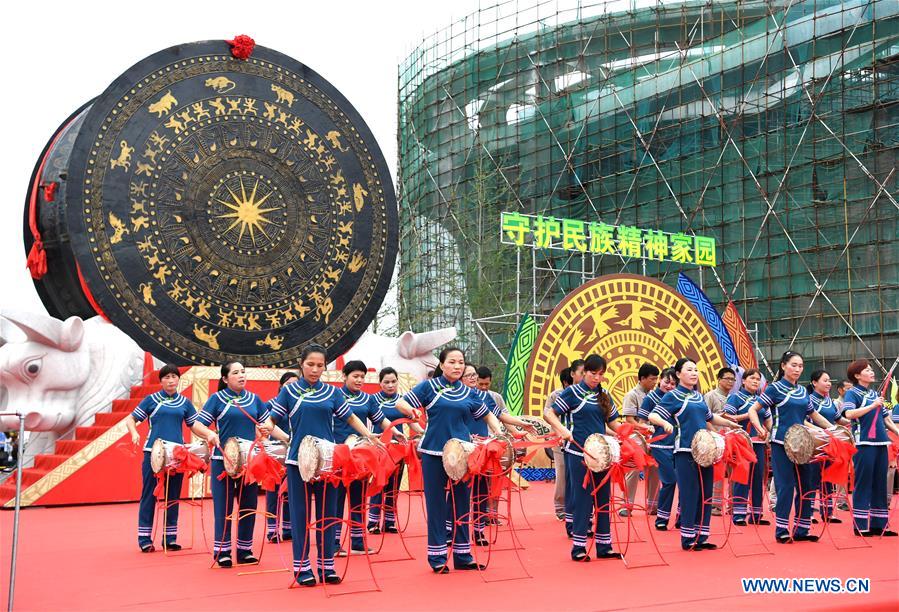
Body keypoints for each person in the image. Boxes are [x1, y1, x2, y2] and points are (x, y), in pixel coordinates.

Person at [394, 347, 524, 574]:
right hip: (434, 452)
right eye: (452, 362)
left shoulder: (468, 392)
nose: (457, 366)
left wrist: (499, 433)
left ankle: (463, 554)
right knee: (437, 504)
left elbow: (488, 414)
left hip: (463, 452)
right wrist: (412, 413)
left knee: (462, 502)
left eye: (461, 362)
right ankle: (437, 556)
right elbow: (401, 403)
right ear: (442, 365)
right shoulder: (429, 386)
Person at [264, 345, 380, 586]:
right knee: (300, 515)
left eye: (320, 366)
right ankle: (302, 567)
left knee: (327, 516)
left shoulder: (332, 393)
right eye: (310, 365)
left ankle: (326, 565)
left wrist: (368, 435)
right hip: (298, 462)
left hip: (327, 462)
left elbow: (349, 417)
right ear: (301, 364)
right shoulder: (289, 391)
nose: (315, 370)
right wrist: (267, 427)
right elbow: (272, 419)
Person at [124, 364, 219, 553]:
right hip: (154, 452)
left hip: (177, 454)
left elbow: (194, 425)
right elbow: (131, 419)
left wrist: (208, 433)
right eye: (166, 377)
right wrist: (134, 433)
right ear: (161, 381)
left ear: (178, 379)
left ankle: (169, 538)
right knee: (150, 494)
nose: (170, 380)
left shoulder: (184, 403)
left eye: (174, 377)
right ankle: (144, 538)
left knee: (173, 496)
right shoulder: (151, 400)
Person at [649, 358, 738, 550]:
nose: (694, 373)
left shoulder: (699, 396)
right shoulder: (673, 396)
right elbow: (653, 415)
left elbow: (708, 417)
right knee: (690, 493)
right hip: (685, 451)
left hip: (705, 451)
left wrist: (728, 423)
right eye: (689, 370)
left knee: (705, 493)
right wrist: (664, 423)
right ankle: (688, 538)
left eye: (696, 370)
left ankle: (701, 536)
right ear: (679, 374)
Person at [544, 354, 624, 562]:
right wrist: (562, 430)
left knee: (603, 498)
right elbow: (549, 414)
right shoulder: (572, 392)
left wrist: (631, 433)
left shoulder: (604, 395)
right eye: (593, 373)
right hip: (579, 452)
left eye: (600, 374)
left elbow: (614, 423)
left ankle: (604, 545)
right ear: (584, 372)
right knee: (582, 499)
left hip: (601, 453)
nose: (596, 378)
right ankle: (578, 546)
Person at [748, 351, 833, 543]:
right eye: (793, 365)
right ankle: (782, 530)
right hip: (781, 443)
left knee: (807, 486)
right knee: (786, 486)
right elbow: (753, 410)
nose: (797, 369)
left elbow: (813, 416)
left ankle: (802, 529)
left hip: (803, 444)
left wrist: (834, 429)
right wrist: (759, 428)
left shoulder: (803, 391)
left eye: (801, 366)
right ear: (784, 366)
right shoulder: (775, 389)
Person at [196, 362, 270, 567]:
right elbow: (198, 423)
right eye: (235, 372)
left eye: (243, 372)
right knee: (224, 505)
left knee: (249, 505)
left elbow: (267, 426)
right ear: (225, 379)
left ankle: (245, 549)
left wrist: (287, 439)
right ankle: (222, 551)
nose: (241, 375)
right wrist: (210, 433)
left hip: (249, 461)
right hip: (223, 461)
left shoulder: (255, 399)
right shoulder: (216, 399)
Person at [332, 360, 395, 556]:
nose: (359, 380)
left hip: (361, 455)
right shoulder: (335, 396)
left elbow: (379, 419)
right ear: (344, 376)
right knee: (337, 498)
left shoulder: (367, 399)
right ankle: (332, 542)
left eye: (362, 377)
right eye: (355, 376)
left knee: (358, 497)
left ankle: (358, 540)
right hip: (339, 452)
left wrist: (394, 431)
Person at [840, 359, 899, 537]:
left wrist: (898, 432)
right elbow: (849, 414)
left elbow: (886, 419)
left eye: (871, 369)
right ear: (857, 375)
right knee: (863, 483)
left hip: (881, 442)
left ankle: (879, 524)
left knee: (880, 484)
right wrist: (872, 405)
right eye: (867, 370)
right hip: (863, 443)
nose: (871, 372)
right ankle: (860, 525)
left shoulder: (874, 393)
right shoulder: (852, 393)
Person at [368, 367, 417, 534]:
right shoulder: (373, 400)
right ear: (380, 383)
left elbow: (412, 422)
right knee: (379, 482)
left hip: (399, 447)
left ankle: (389, 522)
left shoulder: (402, 402)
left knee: (394, 485)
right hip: (380, 447)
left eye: (393, 381)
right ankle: (373, 521)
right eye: (386, 382)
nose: (390, 385)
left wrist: (424, 432)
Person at [724, 368, 770, 526]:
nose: (756, 381)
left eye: (758, 379)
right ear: (743, 381)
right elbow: (727, 418)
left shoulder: (762, 400)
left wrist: (769, 432)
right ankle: (738, 514)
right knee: (742, 478)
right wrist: (749, 414)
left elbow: (768, 421)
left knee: (758, 478)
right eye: (752, 378)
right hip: (742, 442)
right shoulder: (735, 398)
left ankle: (756, 514)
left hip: (759, 443)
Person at [638, 367, 677, 530]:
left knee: (683, 482)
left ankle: (682, 517)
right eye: (666, 382)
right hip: (659, 444)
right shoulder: (651, 398)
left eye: (673, 383)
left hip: (678, 444)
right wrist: (648, 432)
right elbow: (641, 423)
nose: (669, 386)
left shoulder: (678, 397)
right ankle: (661, 517)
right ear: (660, 380)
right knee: (669, 480)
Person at [806, 370, 847, 524]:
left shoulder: (830, 401)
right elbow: (804, 420)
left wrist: (854, 420)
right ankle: (808, 513)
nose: (829, 384)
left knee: (828, 478)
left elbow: (839, 419)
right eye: (825, 380)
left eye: (830, 381)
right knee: (812, 478)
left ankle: (827, 512)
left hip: (830, 443)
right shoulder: (809, 400)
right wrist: (820, 431)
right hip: (814, 443)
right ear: (814, 383)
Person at [622, 364, 660, 517]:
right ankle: (626, 505)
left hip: (654, 435)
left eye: (657, 379)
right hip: (637, 435)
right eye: (652, 379)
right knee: (633, 468)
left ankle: (653, 506)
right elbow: (630, 420)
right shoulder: (632, 395)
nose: (655, 382)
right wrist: (644, 428)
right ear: (642, 378)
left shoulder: (656, 395)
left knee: (655, 467)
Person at [265, 371, 298, 543]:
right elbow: (261, 423)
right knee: (273, 492)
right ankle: (272, 529)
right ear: (281, 386)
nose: (292, 387)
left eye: (295, 384)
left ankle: (288, 528)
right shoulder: (271, 404)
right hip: (276, 453)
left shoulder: (299, 404)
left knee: (290, 491)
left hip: (293, 452)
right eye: (288, 384)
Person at [704, 367, 736, 515]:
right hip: (716, 439)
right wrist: (715, 434)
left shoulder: (734, 397)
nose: (730, 382)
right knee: (718, 473)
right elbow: (705, 418)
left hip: (733, 439)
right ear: (719, 379)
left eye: (733, 379)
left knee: (734, 472)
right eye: (727, 378)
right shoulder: (710, 396)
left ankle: (733, 505)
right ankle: (715, 505)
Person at [547, 367, 573, 525]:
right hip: (559, 440)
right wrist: (560, 432)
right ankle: (560, 508)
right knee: (562, 472)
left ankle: (574, 507)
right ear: (565, 382)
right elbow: (548, 414)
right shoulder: (555, 395)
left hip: (576, 439)